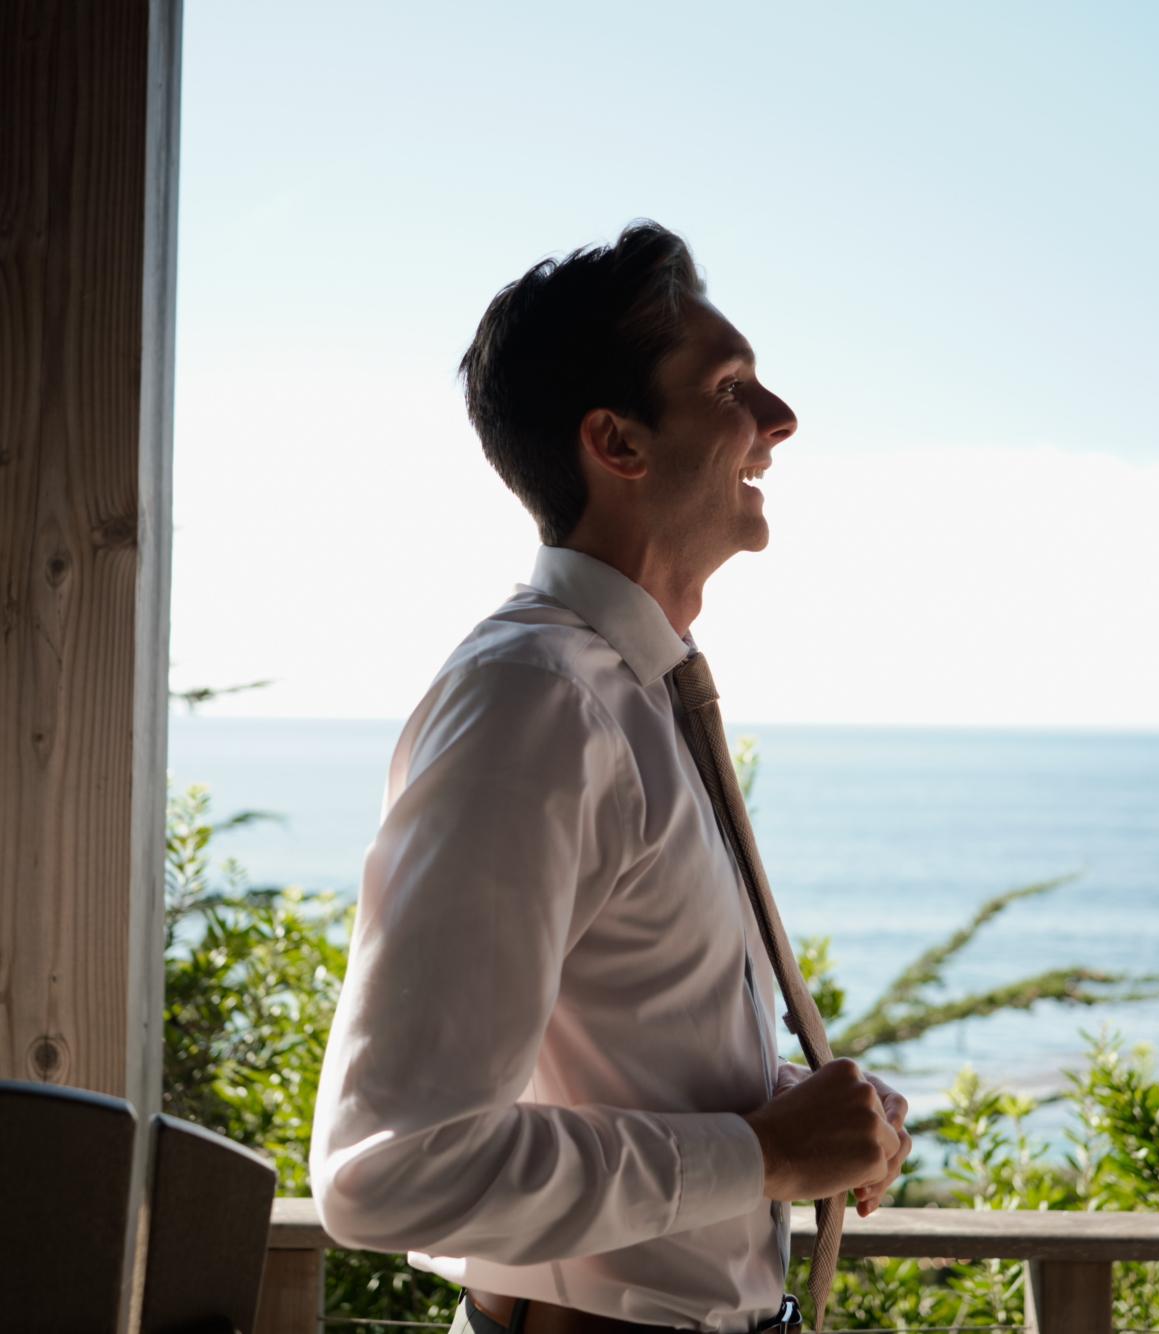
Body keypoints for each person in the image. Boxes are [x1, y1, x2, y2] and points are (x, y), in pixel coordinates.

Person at [309, 220, 911, 1334]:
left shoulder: (628, 693)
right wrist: (762, 1155)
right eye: (730, 387)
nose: (779, 418)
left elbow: (605, 1053)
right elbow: (392, 1170)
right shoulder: (536, 700)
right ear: (617, 442)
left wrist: (790, 1112)